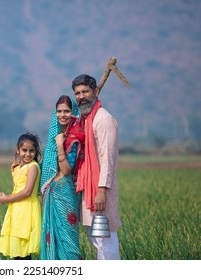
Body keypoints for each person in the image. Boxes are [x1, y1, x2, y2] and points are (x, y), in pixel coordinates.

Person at [72, 74, 121, 260]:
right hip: (87, 189)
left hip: (100, 191)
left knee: (104, 238)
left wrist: (101, 190)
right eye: (77, 93)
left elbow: (107, 159)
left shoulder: (103, 119)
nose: (81, 96)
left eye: (85, 91)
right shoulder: (84, 120)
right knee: (95, 238)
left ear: (96, 92)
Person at [40, 95, 84, 260]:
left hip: (66, 192)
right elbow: (46, 166)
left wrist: (60, 145)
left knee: (69, 243)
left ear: (73, 113)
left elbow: (65, 170)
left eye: (66, 111)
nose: (62, 114)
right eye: (59, 111)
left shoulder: (74, 138)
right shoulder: (54, 138)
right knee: (52, 240)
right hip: (51, 192)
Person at [0, 132, 42, 260]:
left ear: (36, 152)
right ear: (17, 150)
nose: (28, 154)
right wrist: (2, 196)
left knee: (24, 251)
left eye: (31, 151)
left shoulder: (33, 167)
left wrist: (6, 199)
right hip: (16, 210)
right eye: (24, 150)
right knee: (17, 251)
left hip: (27, 209)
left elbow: (27, 192)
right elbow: (16, 190)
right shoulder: (16, 168)